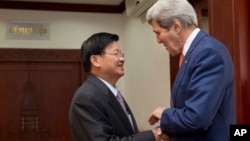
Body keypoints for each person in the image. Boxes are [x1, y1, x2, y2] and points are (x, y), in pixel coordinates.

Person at [146, 0, 236, 141]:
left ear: (176, 26)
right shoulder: (194, 53)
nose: (158, 40)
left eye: (158, 33)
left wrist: (165, 114)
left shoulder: (207, 53)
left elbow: (197, 118)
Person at [69, 32, 168, 141]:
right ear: (95, 60)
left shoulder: (111, 93)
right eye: (116, 54)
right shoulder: (86, 97)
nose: (122, 59)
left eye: (121, 54)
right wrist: (153, 136)